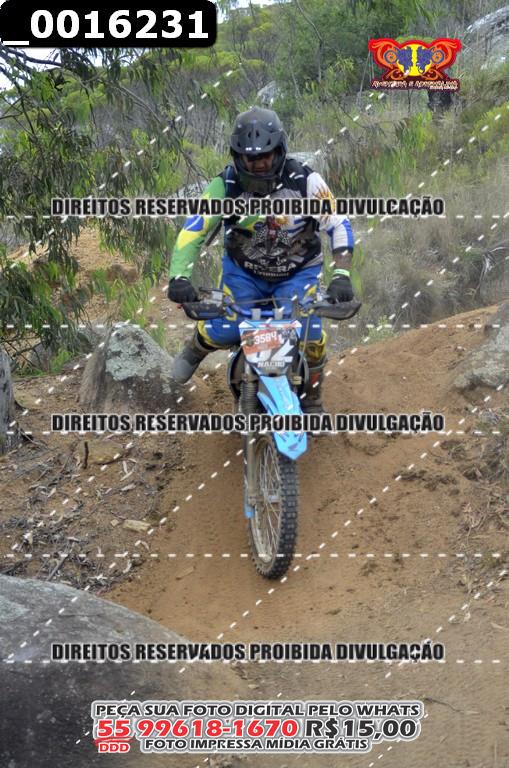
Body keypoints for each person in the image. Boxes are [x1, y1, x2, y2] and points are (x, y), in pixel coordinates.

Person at [167, 106, 355, 413]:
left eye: (265, 156)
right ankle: (197, 346)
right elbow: (195, 228)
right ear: (237, 157)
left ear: (279, 151)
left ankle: (313, 397)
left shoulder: (305, 180)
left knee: (309, 336)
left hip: (298, 272)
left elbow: (338, 223)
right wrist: (179, 276)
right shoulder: (226, 185)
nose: (258, 164)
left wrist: (342, 276)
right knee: (225, 330)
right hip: (244, 273)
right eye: (250, 158)